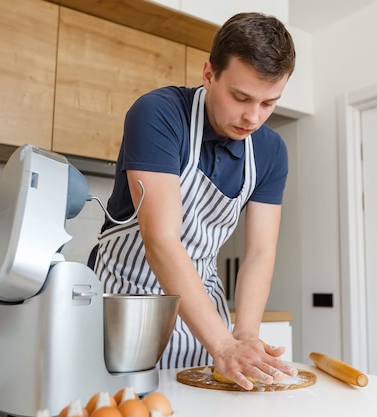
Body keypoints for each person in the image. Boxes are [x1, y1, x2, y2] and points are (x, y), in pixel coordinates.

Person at [90, 12, 297, 390]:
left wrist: (245, 334)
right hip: (126, 306)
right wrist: (222, 343)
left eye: (269, 103)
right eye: (241, 97)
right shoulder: (159, 114)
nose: (253, 117)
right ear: (209, 74)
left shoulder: (271, 151)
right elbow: (161, 239)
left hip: (202, 313)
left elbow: (260, 253)